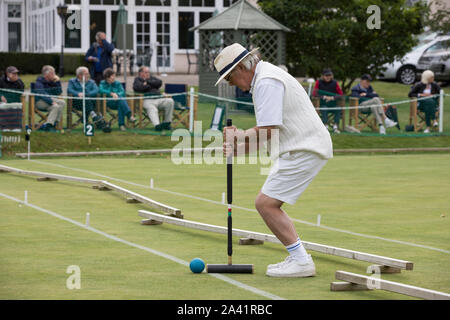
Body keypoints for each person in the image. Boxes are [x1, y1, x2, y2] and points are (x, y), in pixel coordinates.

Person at [216, 43, 333, 278]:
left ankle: (301, 261)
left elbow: (268, 129)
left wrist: (237, 136)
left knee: (265, 203)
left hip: (304, 148)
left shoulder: (266, 82)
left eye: (230, 78)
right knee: (267, 202)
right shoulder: (264, 77)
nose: (231, 84)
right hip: (300, 147)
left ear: (241, 67)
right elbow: (269, 134)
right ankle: (298, 258)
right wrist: (237, 149)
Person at [67, 67, 111, 133]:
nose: (88, 75)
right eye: (86, 74)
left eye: (88, 74)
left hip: (90, 102)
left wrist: (86, 94)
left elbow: (96, 90)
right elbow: (69, 90)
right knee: (87, 100)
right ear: (79, 75)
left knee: (90, 99)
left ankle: (98, 121)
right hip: (78, 103)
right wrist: (78, 94)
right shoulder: (72, 81)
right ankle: (100, 121)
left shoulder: (91, 82)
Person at [133, 66, 174, 131]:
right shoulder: (137, 80)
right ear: (140, 73)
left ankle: (167, 123)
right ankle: (157, 126)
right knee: (152, 109)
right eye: (146, 72)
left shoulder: (151, 78)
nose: (148, 74)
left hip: (159, 98)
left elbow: (159, 82)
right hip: (147, 100)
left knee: (170, 101)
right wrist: (150, 85)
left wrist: (148, 82)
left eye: (148, 72)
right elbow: (138, 88)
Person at [33, 65, 65, 132]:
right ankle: (49, 126)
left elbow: (59, 92)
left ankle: (54, 124)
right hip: (39, 102)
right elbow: (42, 94)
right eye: (53, 73)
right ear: (47, 74)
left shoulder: (53, 81)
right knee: (55, 106)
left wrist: (58, 82)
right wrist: (51, 101)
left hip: (49, 101)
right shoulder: (39, 82)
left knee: (62, 102)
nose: (55, 75)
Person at [312, 69, 343, 133]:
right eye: (326, 75)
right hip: (322, 103)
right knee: (324, 109)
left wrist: (332, 98)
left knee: (338, 108)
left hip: (333, 104)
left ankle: (335, 126)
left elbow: (340, 94)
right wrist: (324, 97)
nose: (328, 77)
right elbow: (314, 93)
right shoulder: (318, 82)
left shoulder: (335, 83)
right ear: (323, 76)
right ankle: (325, 126)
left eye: (329, 75)